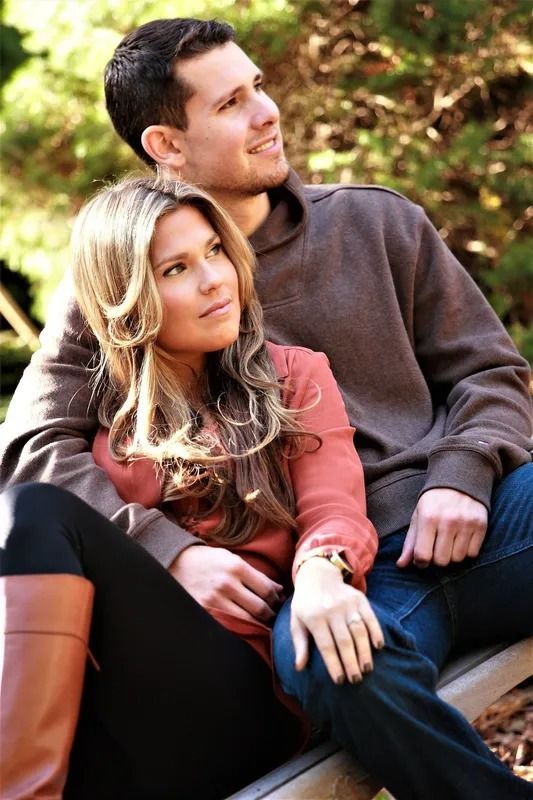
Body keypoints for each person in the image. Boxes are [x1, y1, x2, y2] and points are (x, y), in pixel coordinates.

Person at [1, 16, 532, 800]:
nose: (266, 112)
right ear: (166, 146)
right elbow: (34, 447)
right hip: (330, 580)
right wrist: (166, 549)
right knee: (325, 664)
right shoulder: (115, 290)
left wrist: (461, 470)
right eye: (231, 104)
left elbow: (491, 372)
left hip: (473, 515)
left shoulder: (375, 222)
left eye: (258, 88)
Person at [0, 175, 382, 799]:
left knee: (34, 510)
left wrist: (321, 570)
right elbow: (21, 456)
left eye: (214, 252)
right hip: (126, 711)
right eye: (176, 268)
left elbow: (334, 509)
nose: (213, 279)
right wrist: (167, 553)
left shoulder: (290, 376)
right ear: (126, 299)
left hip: (248, 694)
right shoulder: (106, 417)